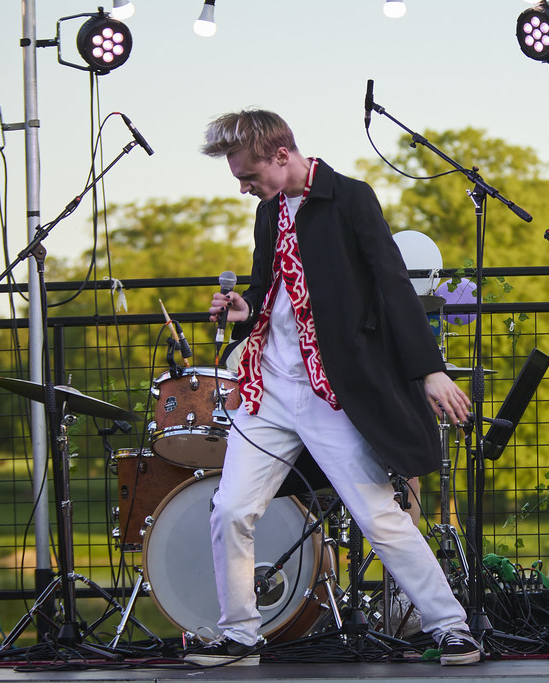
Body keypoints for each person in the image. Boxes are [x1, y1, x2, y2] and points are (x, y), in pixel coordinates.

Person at [185, 109, 481, 667]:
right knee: (230, 510)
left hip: (329, 391)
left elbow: (393, 285)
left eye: (249, 177)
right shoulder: (268, 214)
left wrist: (429, 368)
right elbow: (267, 290)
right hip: (268, 388)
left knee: (378, 515)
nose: (245, 189)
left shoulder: (351, 198)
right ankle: (241, 634)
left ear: (281, 155)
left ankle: (450, 626)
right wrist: (246, 311)